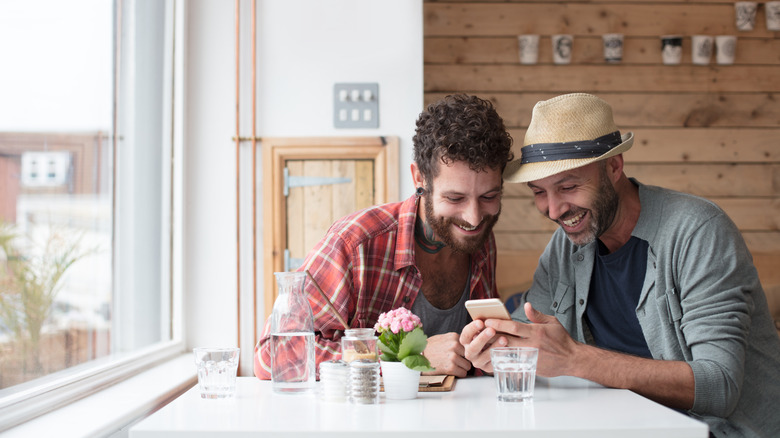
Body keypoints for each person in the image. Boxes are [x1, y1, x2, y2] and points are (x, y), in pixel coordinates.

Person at [460, 93, 780, 437]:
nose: (553, 210)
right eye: (539, 192)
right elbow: (533, 335)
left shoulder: (698, 231)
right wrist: (496, 348)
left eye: (568, 186)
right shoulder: (566, 246)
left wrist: (575, 358)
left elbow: (719, 385)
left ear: (614, 167)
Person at [255, 94, 514, 379]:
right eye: (455, 198)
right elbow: (274, 354)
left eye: (489, 196)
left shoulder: (479, 239)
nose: (474, 217)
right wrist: (410, 357)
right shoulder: (355, 243)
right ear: (419, 179)